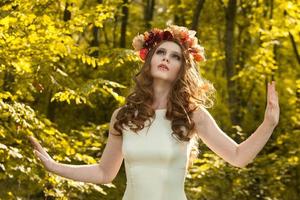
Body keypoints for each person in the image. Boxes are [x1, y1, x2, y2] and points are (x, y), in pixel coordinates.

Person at [29, 24, 280, 200]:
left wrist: (268, 123)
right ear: (149, 60)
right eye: (160, 52)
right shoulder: (123, 116)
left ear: (182, 68)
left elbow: (237, 156)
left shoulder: (192, 115)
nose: (166, 59)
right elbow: (105, 173)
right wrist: (54, 166)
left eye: (175, 56)